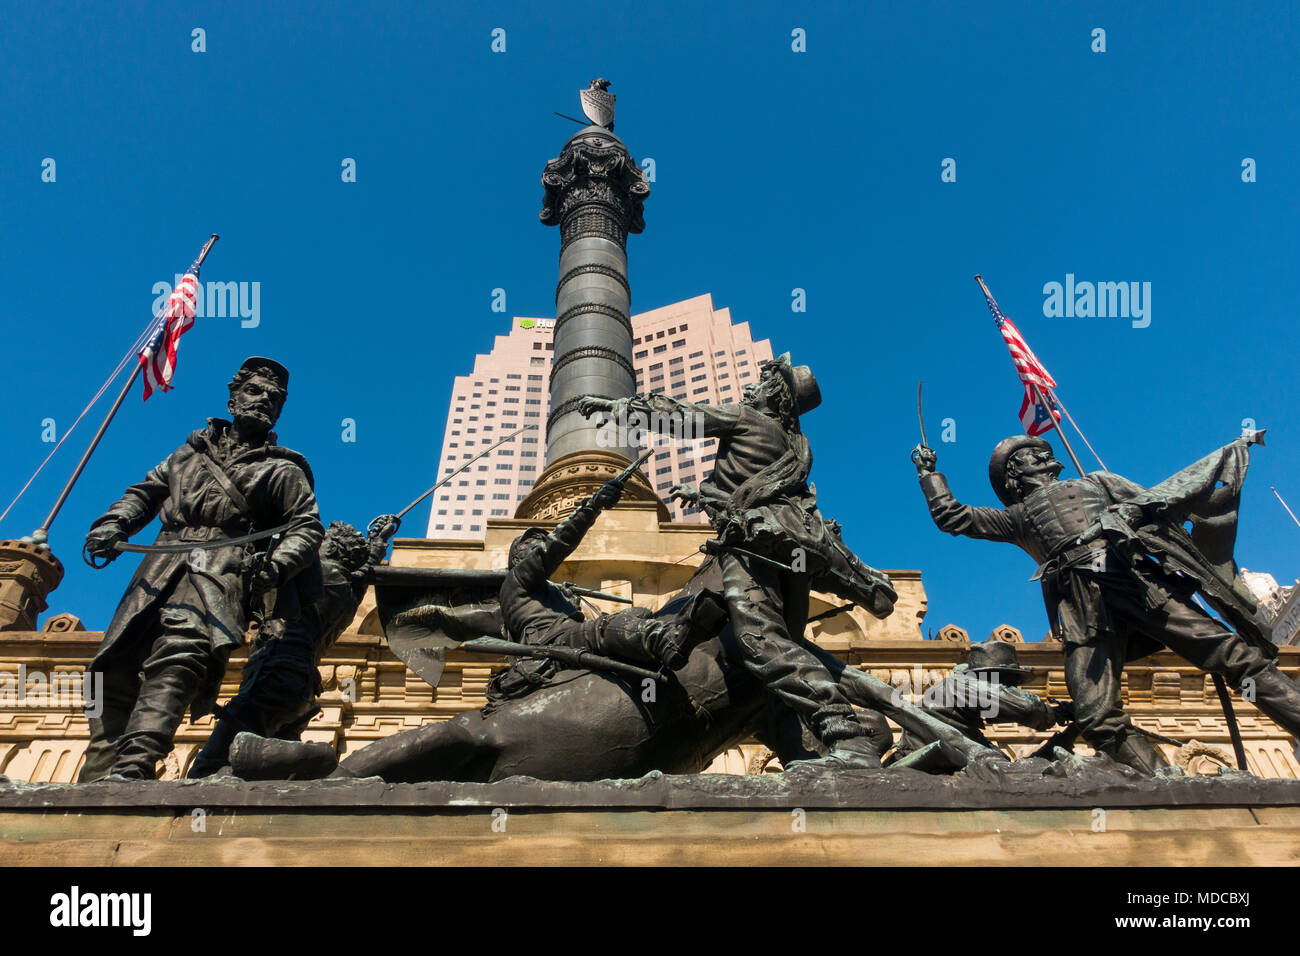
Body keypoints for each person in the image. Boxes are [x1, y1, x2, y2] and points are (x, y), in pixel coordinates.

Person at [580, 354, 898, 771]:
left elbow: (686, 417)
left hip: (751, 549)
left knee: (760, 643)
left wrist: (618, 410)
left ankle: (848, 737)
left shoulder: (747, 419)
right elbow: (754, 491)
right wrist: (707, 497)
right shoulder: (794, 447)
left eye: (764, 381)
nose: (752, 387)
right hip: (786, 558)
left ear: (777, 394)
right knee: (774, 642)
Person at [912, 432, 1300, 773]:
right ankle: (1165, 783)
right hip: (1080, 606)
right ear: (1015, 474)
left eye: (1042, 452)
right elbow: (953, 517)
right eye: (1030, 455)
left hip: (1134, 580)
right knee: (1095, 716)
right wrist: (930, 474)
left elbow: (1158, 503)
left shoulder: (1098, 482)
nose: (1044, 457)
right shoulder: (1015, 517)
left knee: (1234, 656)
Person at [79, 357, 323, 781]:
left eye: (274, 398)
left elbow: (306, 526)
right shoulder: (187, 454)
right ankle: (102, 771)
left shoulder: (283, 469)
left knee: (181, 653)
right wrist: (113, 523)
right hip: (160, 566)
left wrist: (279, 564)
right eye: (254, 391)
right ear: (233, 397)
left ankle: (136, 764)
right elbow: (144, 493)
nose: (264, 400)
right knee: (116, 665)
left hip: (220, 571)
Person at [187, 517, 397, 778]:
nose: (314, 546)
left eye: (322, 542)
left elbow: (271, 568)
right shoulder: (347, 591)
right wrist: (377, 542)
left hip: (274, 676)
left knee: (208, 766)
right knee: (274, 777)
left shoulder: (313, 574)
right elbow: (363, 573)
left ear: (330, 549)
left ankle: (318, 758)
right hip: (302, 690)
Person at [885, 640, 1066, 767]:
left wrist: (1063, 740)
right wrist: (1058, 713)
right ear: (994, 679)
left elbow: (1009, 768)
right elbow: (1028, 708)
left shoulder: (964, 724)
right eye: (1011, 684)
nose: (1013, 689)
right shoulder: (959, 686)